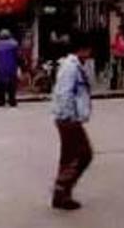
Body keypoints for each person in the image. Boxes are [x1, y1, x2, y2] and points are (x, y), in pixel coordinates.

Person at [50, 32, 94, 210]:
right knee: (84, 154)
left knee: (68, 156)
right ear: (83, 49)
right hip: (68, 118)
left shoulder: (74, 65)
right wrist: (69, 116)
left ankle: (61, 194)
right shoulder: (71, 67)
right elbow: (65, 93)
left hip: (67, 117)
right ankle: (61, 187)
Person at [0, 29, 20, 107]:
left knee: (1, 85)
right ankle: (12, 100)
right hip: (11, 67)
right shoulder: (14, 44)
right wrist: (20, 65)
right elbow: (18, 56)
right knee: (11, 85)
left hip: (0, 68)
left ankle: (2, 100)